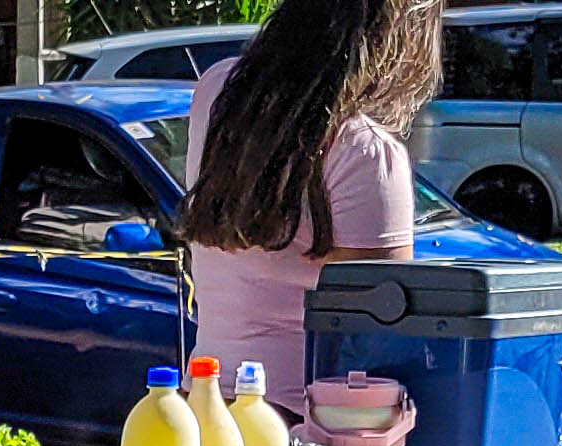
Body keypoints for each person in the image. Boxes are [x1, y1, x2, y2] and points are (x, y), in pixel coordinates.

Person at [177, 0, 434, 405]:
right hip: (305, 420)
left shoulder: (217, 90)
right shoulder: (366, 151)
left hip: (203, 400)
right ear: (401, 33)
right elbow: (379, 335)